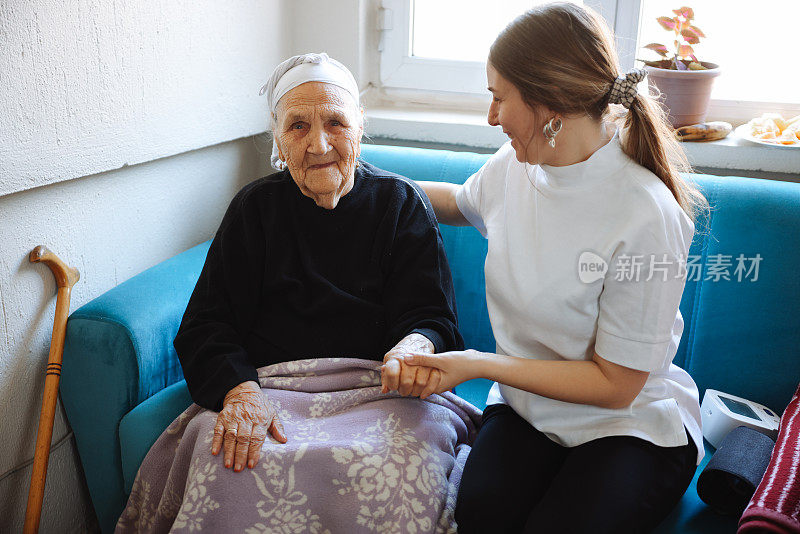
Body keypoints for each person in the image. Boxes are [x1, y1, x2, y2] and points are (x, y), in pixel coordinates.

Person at [384, 4, 710, 533]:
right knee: (481, 518)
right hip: (528, 409)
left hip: (626, 425)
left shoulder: (645, 213)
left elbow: (615, 385)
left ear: (550, 103)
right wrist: (360, 181)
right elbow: (454, 202)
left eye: (498, 96)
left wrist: (478, 363)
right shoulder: (516, 166)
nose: (491, 117)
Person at [174, 52, 461, 475]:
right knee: (226, 465)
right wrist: (241, 392)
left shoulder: (400, 203)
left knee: (400, 470)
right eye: (298, 126)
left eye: (336, 123)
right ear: (278, 137)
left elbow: (433, 318)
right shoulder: (255, 209)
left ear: (360, 125)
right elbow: (207, 324)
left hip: (378, 391)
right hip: (271, 391)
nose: (320, 144)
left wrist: (415, 345)